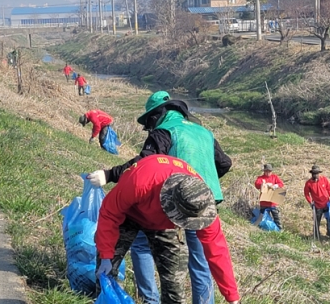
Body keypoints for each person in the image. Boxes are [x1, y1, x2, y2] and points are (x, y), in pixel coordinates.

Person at [88, 91, 232, 304]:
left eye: (149, 122)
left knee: (142, 246)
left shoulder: (163, 132)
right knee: (200, 262)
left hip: (177, 199)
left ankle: (150, 299)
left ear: (157, 115)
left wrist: (110, 175)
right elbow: (224, 163)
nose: (149, 127)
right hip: (202, 200)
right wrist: (202, 184)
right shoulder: (203, 132)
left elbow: (142, 163)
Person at [94, 155, 240, 304]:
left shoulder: (200, 204)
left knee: (174, 285)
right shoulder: (141, 181)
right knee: (106, 272)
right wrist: (106, 256)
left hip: (164, 226)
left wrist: (232, 297)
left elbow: (217, 251)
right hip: (129, 215)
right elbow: (109, 213)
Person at [303, 165, 330, 238]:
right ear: (312, 174)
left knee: (329, 220)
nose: (315, 175)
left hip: (327, 204)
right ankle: (316, 235)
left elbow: (329, 188)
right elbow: (306, 194)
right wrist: (310, 202)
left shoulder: (324, 179)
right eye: (314, 173)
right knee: (317, 221)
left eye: (317, 173)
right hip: (317, 205)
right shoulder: (308, 183)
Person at [253, 163, 284, 229]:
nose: (268, 173)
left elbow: (281, 184)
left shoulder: (274, 177)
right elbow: (256, 184)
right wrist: (263, 184)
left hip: (273, 202)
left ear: (271, 171)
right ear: (264, 171)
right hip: (264, 202)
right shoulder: (261, 178)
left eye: (269, 171)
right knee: (262, 217)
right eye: (266, 171)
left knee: (277, 217)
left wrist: (275, 185)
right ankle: (262, 228)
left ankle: (279, 229)